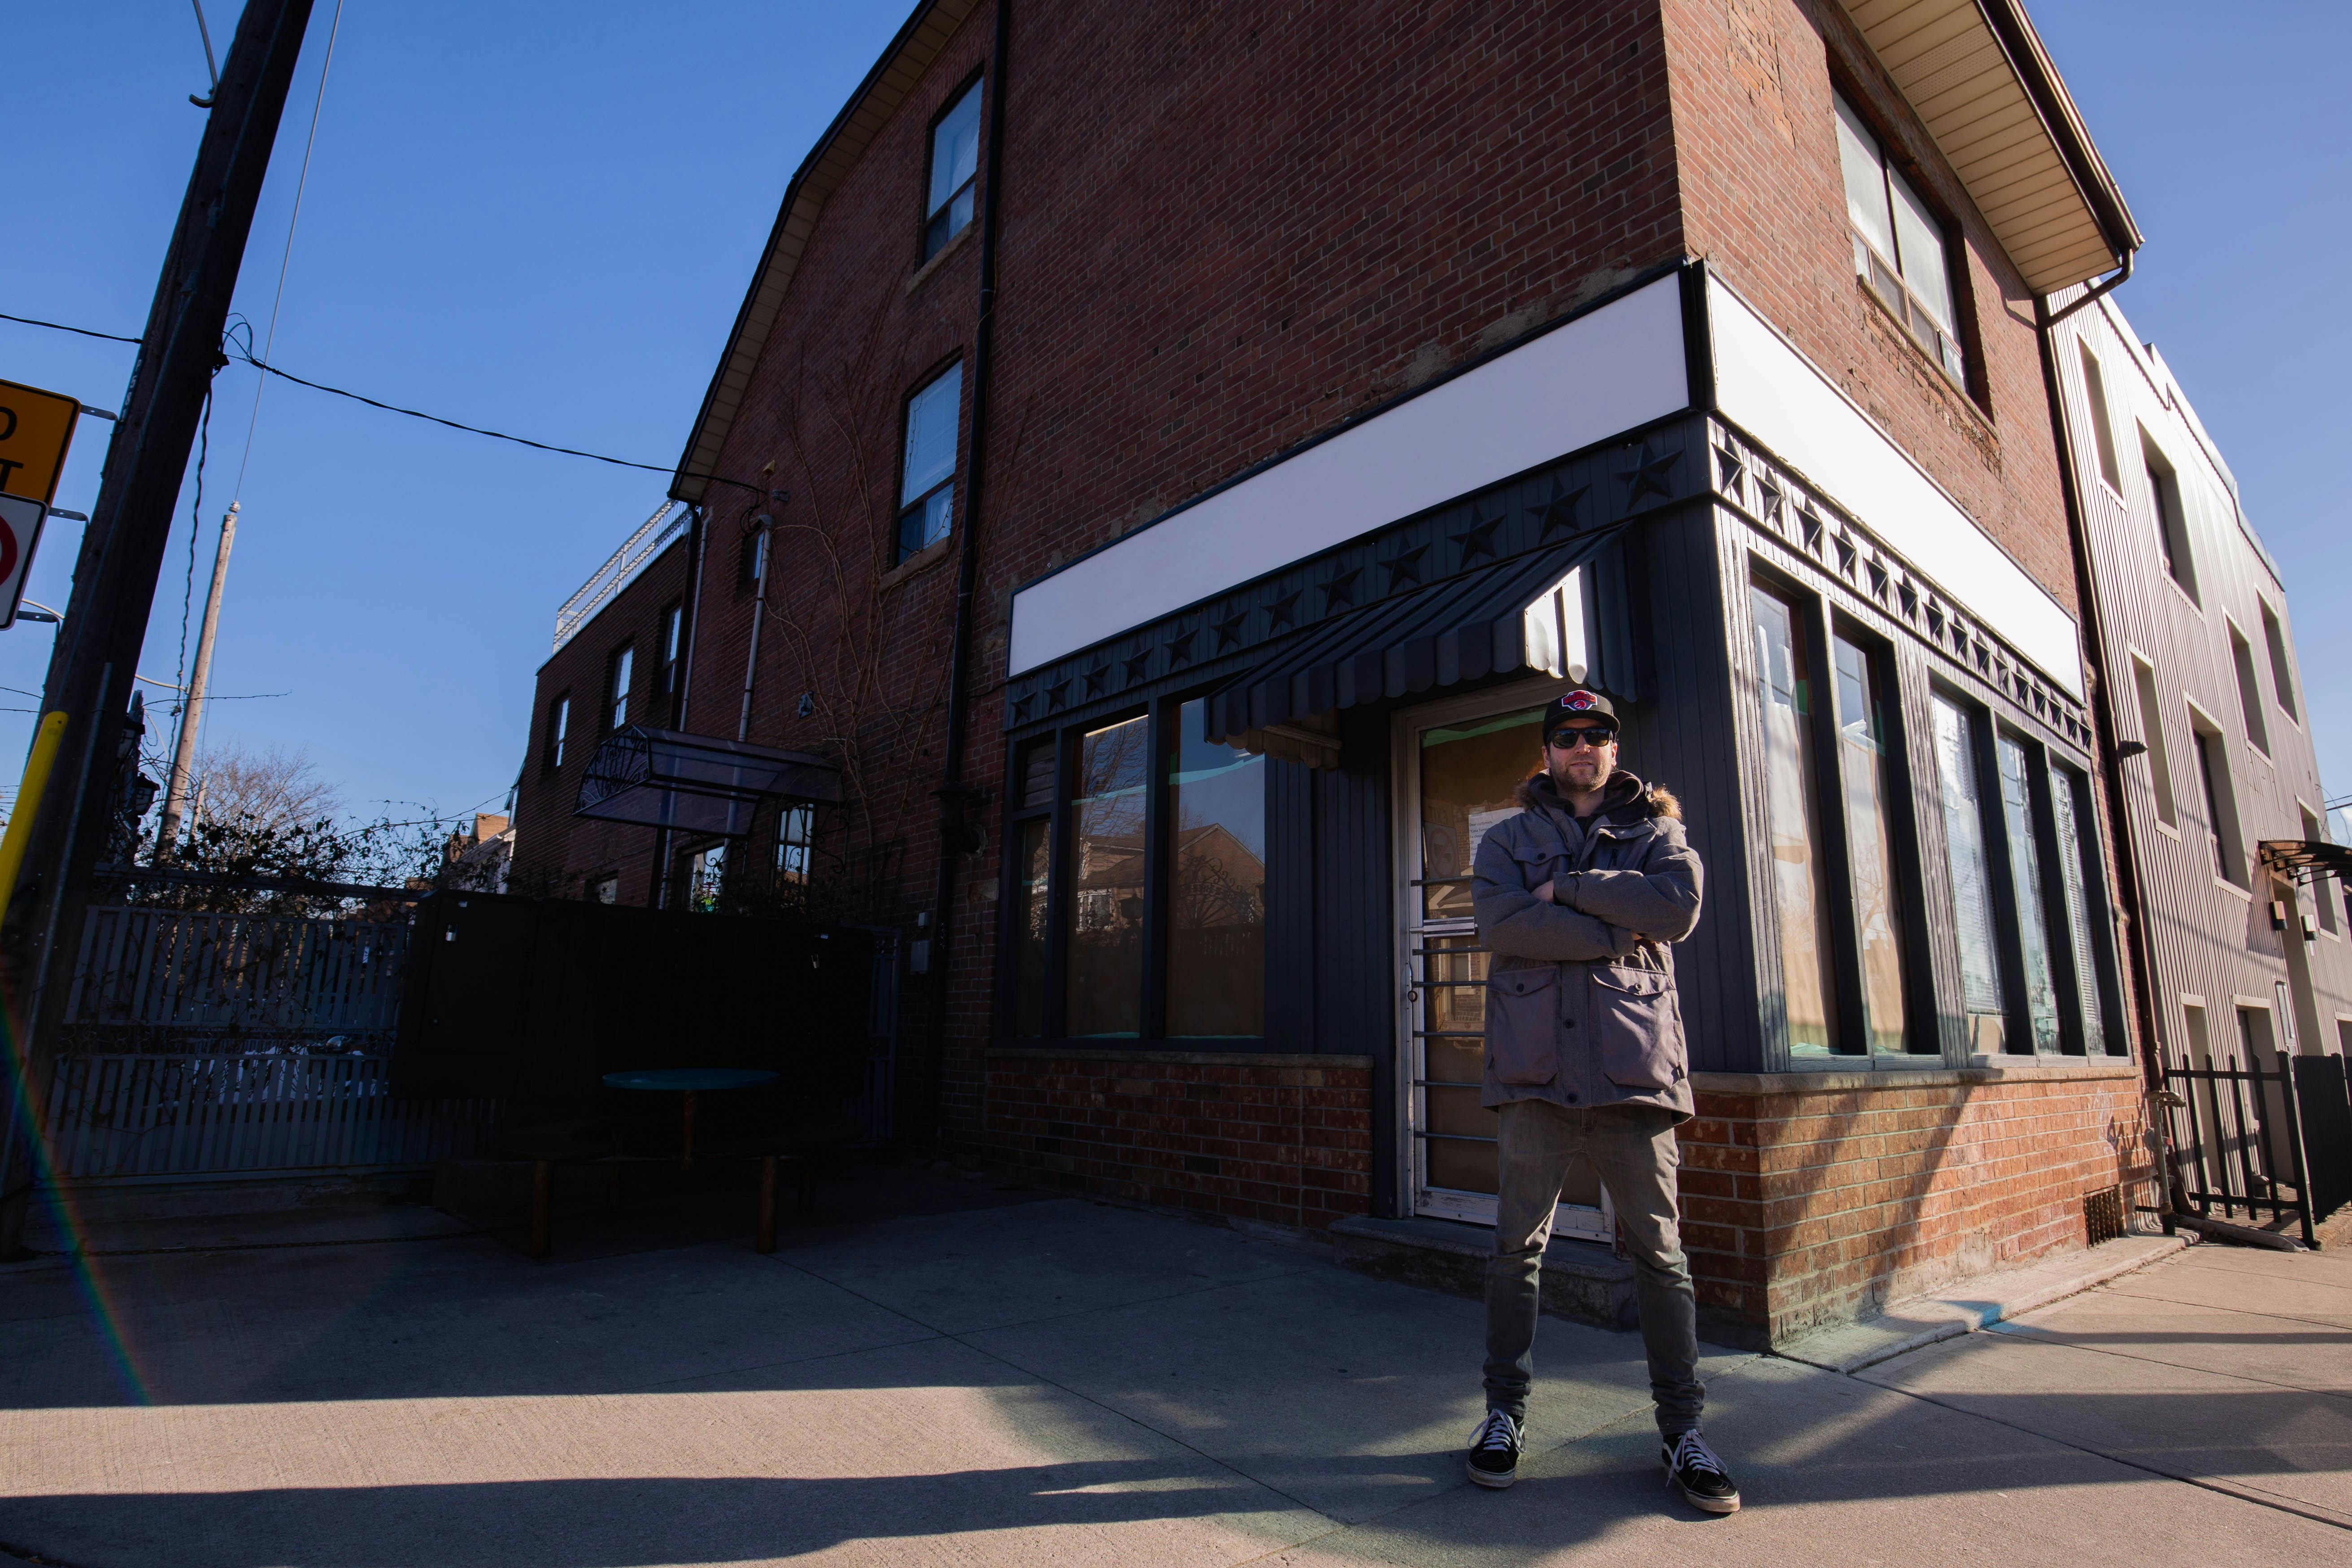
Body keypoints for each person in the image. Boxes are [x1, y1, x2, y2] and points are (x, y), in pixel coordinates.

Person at [1459, 687, 1738, 1514]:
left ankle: (1683, 1431)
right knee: (1518, 1252)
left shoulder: (1661, 835)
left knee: (1660, 1258)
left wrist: (1568, 892)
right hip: (1535, 1078)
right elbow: (1500, 924)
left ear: (1615, 750)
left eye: (1598, 736)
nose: (1583, 748)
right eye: (1567, 737)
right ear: (1545, 752)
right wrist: (1620, 922)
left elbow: (1677, 910)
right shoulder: (1507, 841)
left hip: (1634, 1077)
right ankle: (1502, 1417)